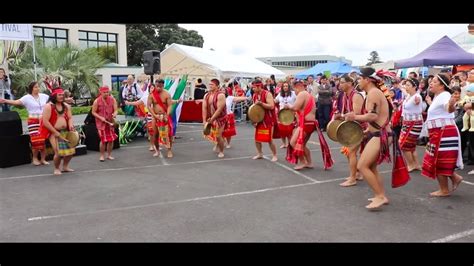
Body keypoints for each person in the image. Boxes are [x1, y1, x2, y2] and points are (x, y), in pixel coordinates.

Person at [344, 67, 393, 210]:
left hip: (381, 135)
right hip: (378, 133)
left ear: (367, 79)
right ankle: (381, 194)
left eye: (360, 78)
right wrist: (367, 129)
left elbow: (373, 116)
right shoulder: (372, 92)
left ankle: (380, 197)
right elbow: (378, 117)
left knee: (362, 166)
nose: (358, 81)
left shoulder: (373, 93)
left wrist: (354, 117)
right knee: (371, 167)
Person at [422, 74, 463, 196]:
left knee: (439, 160)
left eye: (434, 81)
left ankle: (444, 190)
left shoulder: (445, 95)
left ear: (441, 85)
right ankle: (454, 178)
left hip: (444, 132)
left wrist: (451, 104)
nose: (431, 83)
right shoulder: (437, 96)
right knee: (438, 159)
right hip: (439, 132)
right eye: (431, 81)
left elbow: (449, 108)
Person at [286, 80, 333, 170]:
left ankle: (303, 162)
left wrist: (288, 106)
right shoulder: (308, 95)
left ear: (298, 87)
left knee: (293, 142)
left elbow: (295, 107)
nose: (294, 92)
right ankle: (309, 163)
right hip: (310, 123)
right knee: (302, 145)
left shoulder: (302, 94)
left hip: (306, 123)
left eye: (294, 89)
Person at [0, 81, 49, 165]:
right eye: (36, 87)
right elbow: (16, 102)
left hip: (43, 120)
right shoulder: (27, 98)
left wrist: (67, 100)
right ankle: (34, 158)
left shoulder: (44, 96)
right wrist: (5, 100)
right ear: (31, 89)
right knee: (36, 141)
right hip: (33, 121)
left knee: (43, 141)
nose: (38, 88)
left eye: (38, 87)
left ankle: (43, 159)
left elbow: (54, 99)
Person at [333, 74, 365, 187]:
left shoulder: (356, 96)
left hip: (361, 128)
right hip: (353, 127)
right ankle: (357, 173)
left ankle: (353, 178)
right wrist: (339, 116)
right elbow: (347, 115)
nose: (339, 84)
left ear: (350, 83)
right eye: (339, 82)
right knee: (348, 152)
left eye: (342, 82)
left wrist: (342, 115)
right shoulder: (345, 95)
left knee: (351, 152)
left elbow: (356, 114)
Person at [40, 88, 76, 175]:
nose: (61, 96)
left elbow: (70, 117)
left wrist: (71, 125)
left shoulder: (66, 106)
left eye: (62, 95)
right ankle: (56, 168)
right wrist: (55, 132)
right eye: (59, 95)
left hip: (66, 131)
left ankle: (65, 166)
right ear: (54, 96)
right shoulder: (49, 106)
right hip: (53, 132)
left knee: (71, 151)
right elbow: (45, 121)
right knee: (58, 152)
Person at [399, 78, 423, 172]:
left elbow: (417, 102)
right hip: (407, 122)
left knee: (403, 144)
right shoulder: (409, 96)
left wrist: (417, 102)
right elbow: (403, 90)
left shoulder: (417, 97)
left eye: (408, 85)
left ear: (415, 87)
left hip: (414, 123)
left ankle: (411, 164)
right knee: (411, 145)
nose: (406, 87)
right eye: (406, 85)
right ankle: (416, 164)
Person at [250, 79, 278, 162]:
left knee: (269, 139)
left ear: (259, 86)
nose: (253, 89)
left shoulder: (267, 94)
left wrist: (261, 103)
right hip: (259, 120)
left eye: (254, 87)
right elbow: (255, 109)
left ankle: (274, 155)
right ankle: (260, 153)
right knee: (257, 139)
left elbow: (272, 106)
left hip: (268, 119)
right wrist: (254, 120)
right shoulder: (255, 95)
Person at [148, 79, 174, 158]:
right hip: (155, 116)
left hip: (165, 116)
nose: (158, 88)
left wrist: (167, 115)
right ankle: (157, 150)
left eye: (160, 86)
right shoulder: (152, 95)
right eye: (157, 86)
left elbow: (170, 105)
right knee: (155, 134)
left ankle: (169, 150)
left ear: (163, 86)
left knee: (168, 135)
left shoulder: (167, 94)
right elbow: (149, 106)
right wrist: (154, 115)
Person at [92, 86, 118, 162]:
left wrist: (115, 114)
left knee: (111, 140)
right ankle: (102, 155)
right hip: (101, 123)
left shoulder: (112, 99)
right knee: (103, 140)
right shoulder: (97, 101)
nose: (106, 93)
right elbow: (93, 112)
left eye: (107, 92)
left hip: (110, 122)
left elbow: (116, 110)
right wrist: (100, 118)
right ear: (101, 92)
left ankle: (109, 155)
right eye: (104, 92)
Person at [202, 79, 227, 158]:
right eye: (209, 84)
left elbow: (219, 110)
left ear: (217, 86)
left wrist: (212, 119)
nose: (210, 86)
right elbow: (204, 108)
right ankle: (217, 144)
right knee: (215, 135)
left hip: (220, 118)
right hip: (211, 118)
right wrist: (204, 120)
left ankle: (221, 151)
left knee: (219, 136)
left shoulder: (221, 95)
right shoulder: (206, 95)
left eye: (212, 85)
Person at [274, 82, 296, 149]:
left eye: (286, 86)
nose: (285, 87)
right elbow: (275, 100)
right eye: (284, 86)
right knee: (282, 130)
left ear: (289, 87)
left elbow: (298, 101)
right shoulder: (280, 94)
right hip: (282, 114)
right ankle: (284, 143)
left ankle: (290, 143)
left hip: (291, 113)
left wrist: (291, 107)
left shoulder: (293, 93)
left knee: (290, 130)